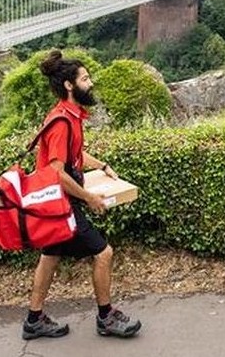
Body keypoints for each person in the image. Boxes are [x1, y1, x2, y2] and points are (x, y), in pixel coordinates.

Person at [21, 50, 142, 340]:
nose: (92, 82)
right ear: (69, 86)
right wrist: (89, 197)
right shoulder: (62, 123)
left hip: (55, 203)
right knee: (103, 252)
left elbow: (75, 154)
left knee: (50, 258)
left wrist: (102, 165)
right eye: (85, 78)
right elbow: (57, 173)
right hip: (61, 205)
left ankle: (33, 321)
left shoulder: (68, 116)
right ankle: (106, 317)